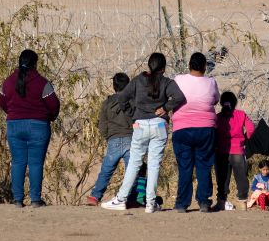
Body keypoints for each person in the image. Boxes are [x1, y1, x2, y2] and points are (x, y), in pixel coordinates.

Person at [101, 53, 186, 213]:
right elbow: (179, 97)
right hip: (159, 125)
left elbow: (122, 98)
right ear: (163, 68)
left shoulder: (138, 81)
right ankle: (150, 203)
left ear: (149, 65)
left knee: (134, 163)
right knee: (154, 165)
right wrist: (165, 108)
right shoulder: (167, 82)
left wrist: (133, 114)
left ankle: (121, 199)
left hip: (140, 125)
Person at [0, 50, 60, 208]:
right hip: (38, 126)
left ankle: (17, 200)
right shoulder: (42, 83)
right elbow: (54, 105)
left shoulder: (8, 82)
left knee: (18, 162)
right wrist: (49, 117)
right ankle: (35, 200)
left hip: (14, 125)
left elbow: (3, 103)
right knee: (36, 163)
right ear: (35, 64)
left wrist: (14, 114)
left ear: (19, 62)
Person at [171, 53, 219, 213]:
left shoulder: (179, 79)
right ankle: (204, 202)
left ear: (189, 65)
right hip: (206, 128)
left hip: (182, 128)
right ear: (205, 66)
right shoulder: (211, 82)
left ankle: (182, 203)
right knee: (204, 165)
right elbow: (215, 100)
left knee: (185, 166)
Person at [87, 73, 133, 206]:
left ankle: (95, 196)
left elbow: (102, 124)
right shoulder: (133, 101)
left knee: (106, 171)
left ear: (114, 86)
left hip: (113, 140)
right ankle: (131, 198)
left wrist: (109, 136)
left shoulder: (107, 103)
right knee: (132, 171)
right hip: (131, 139)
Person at [213, 91, 255, 211]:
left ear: (221, 103)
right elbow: (251, 129)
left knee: (222, 178)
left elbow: (213, 132)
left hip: (222, 151)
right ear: (235, 102)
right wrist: (244, 139)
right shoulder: (241, 114)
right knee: (241, 178)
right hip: (238, 151)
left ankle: (221, 202)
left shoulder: (217, 117)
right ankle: (243, 203)